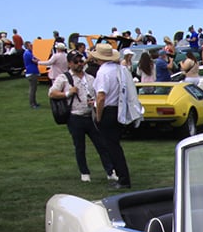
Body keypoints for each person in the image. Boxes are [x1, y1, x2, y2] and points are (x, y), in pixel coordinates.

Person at [49, 50, 115, 182]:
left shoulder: (90, 78)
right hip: (75, 116)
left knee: (101, 145)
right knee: (80, 147)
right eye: (76, 62)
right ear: (69, 63)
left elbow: (99, 93)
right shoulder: (64, 78)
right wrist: (68, 93)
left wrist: (95, 103)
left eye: (80, 61)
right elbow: (52, 93)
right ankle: (84, 172)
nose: (79, 64)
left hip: (90, 115)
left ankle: (110, 171)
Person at [91, 43, 131, 188]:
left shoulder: (103, 73)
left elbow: (101, 96)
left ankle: (123, 178)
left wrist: (98, 115)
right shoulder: (119, 69)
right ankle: (122, 176)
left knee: (112, 147)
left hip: (108, 110)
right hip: (118, 109)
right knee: (115, 145)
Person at [23, 41, 40, 108]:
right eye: (30, 45)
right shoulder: (27, 53)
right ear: (27, 46)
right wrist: (39, 61)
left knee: (34, 89)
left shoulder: (30, 53)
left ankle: (34, 102)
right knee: (32, 89)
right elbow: (34, 60)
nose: (32, 46)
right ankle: (32, 104)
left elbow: (35, 59)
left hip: (32, 72)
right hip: (31, 72)